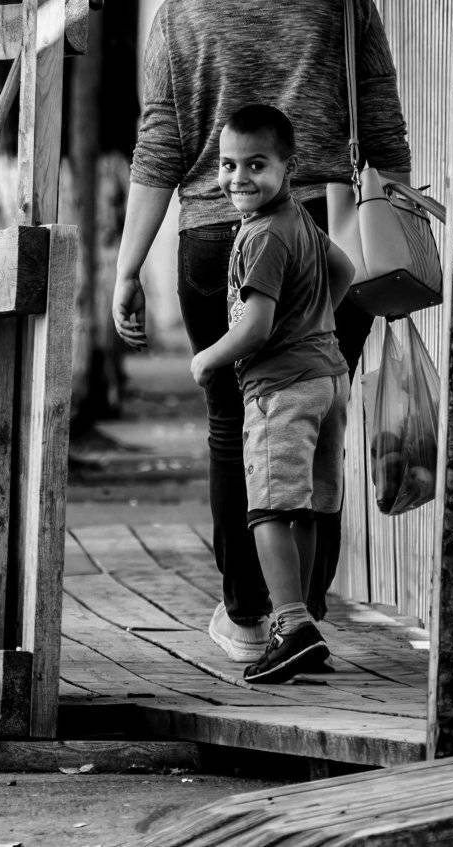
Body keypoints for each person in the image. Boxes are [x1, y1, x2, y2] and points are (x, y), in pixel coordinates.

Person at [111, 0, 411, 663]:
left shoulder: (181, 13)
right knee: (316, 411)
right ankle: (301, 607)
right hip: (328, 235)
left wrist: (128, 266)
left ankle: (251, 615)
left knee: (232, 423)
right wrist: (391, 238)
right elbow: (386, 135)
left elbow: (160, 149)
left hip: (216, 238)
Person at [191, 105, 352, 682]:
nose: (238, 178)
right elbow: (344, 270)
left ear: (289, 166)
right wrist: (314, 322)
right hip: (328, 379)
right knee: (303, 507)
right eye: (228, 164)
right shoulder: (297, 218)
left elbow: (255, 329)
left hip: (281, 389)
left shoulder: (262, 235)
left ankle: (290, 625)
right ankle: (304, 625)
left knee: (267, 510)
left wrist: (206, 359)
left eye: (256, 165)